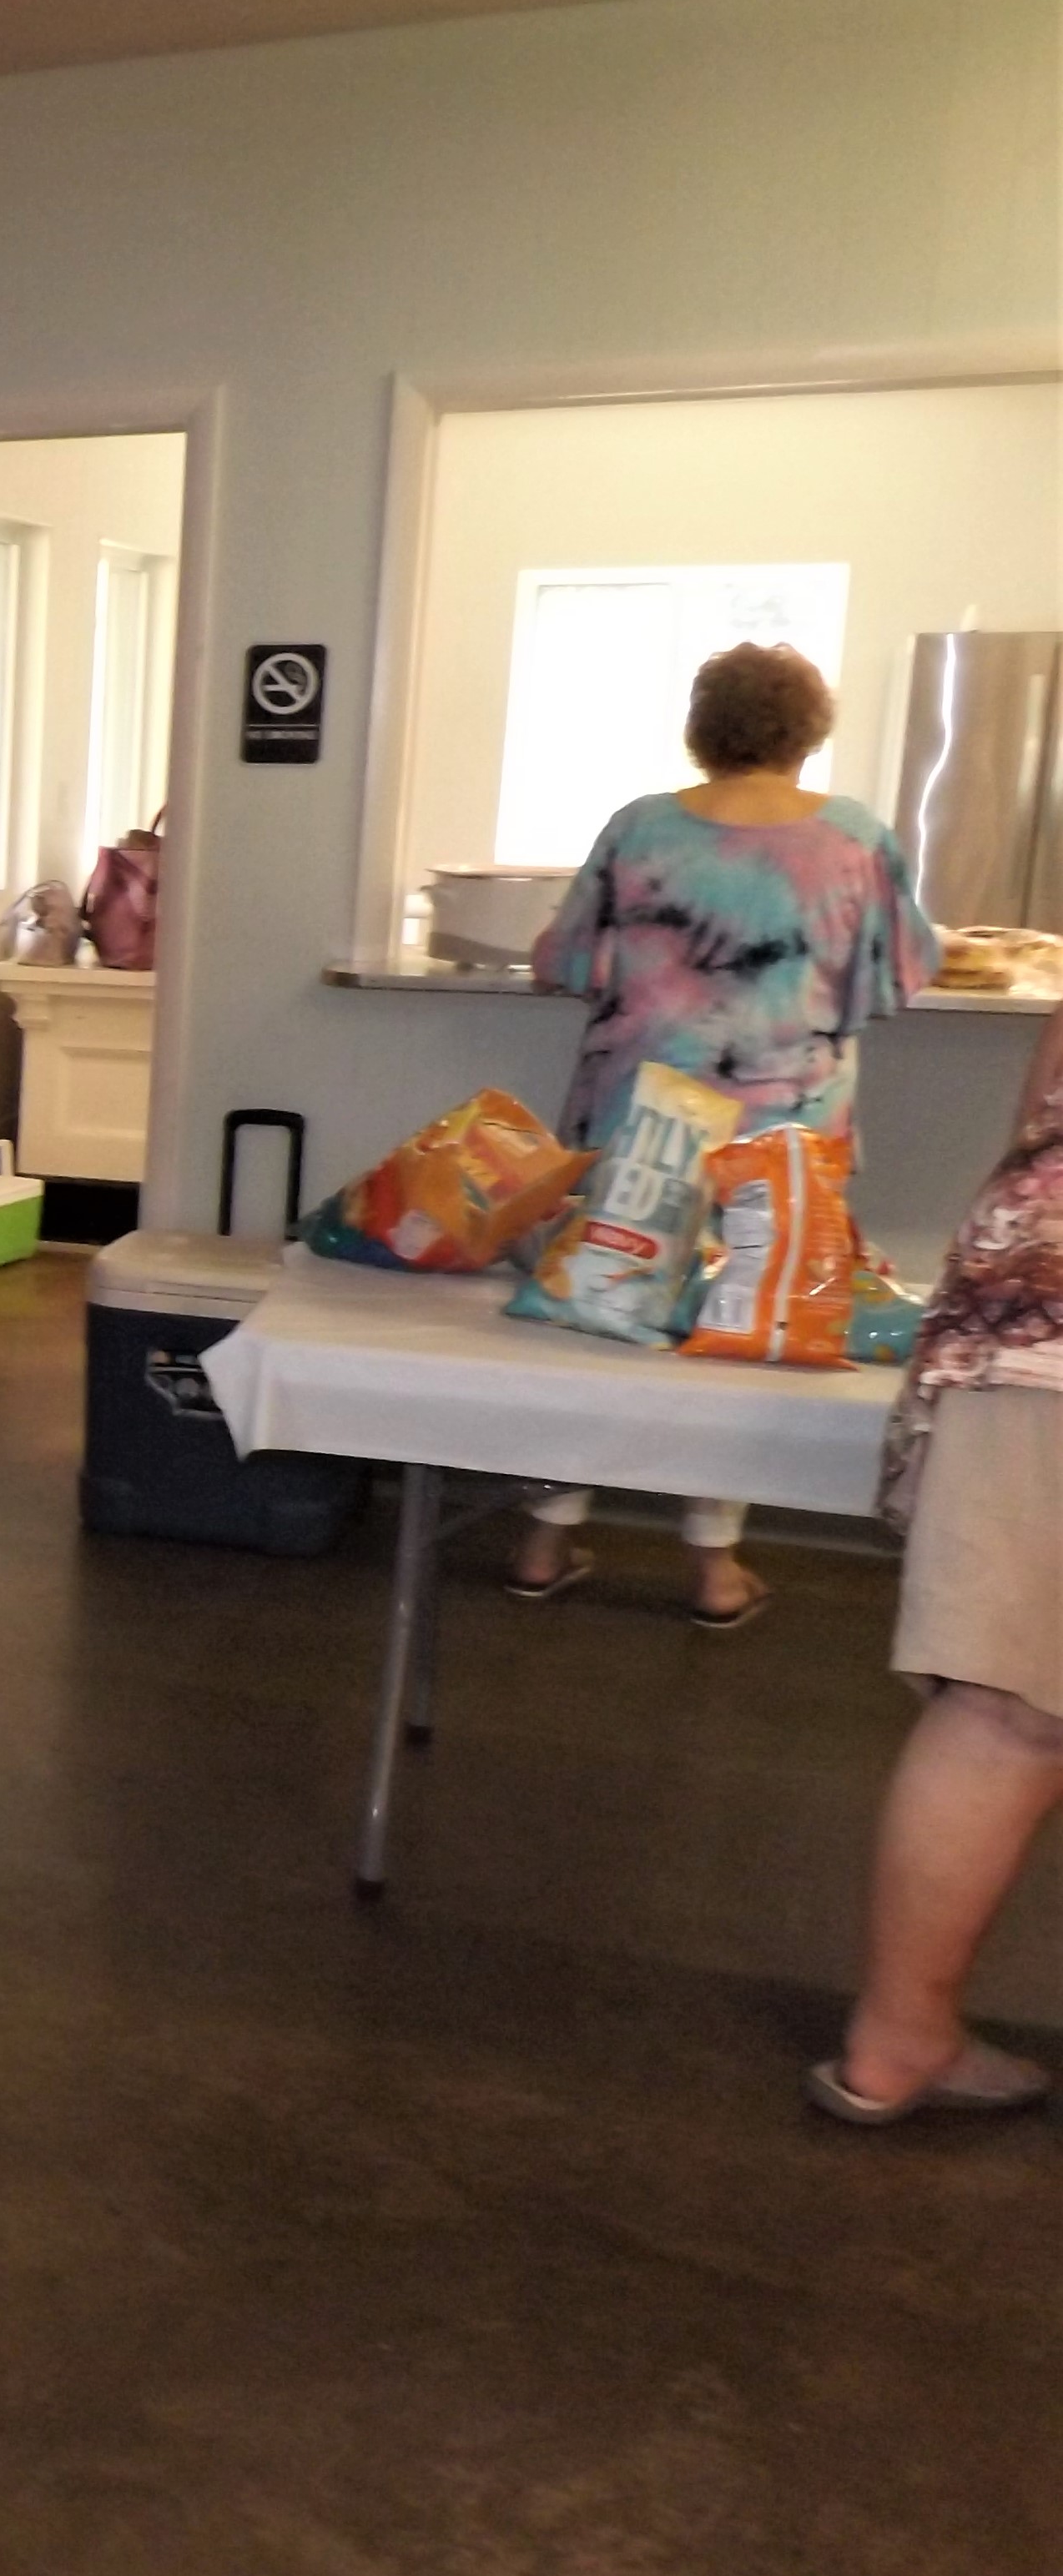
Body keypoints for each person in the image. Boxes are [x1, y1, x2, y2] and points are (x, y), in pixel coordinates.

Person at [510, 642, 935, 1626]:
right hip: (782, 1133)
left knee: (601, 1319)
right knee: (740, 1333)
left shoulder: (639, 828)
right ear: (806, 732)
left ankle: (542, 1540)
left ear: (702, 729)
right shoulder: (855, 838)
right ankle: (713, 1566)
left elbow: (563, 960)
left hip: (639, 1121)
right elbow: (900, 976)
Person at [808, 994, 1063, 2122]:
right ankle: (903, 2035)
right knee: (1013, 1714)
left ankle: (900, 2037)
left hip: (1030, 1306)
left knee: (1003, 1714)